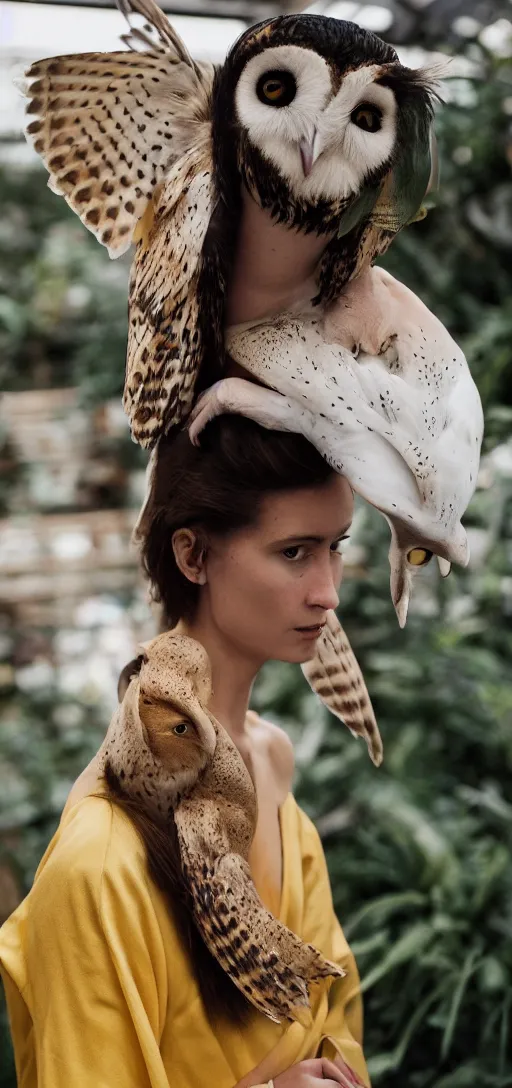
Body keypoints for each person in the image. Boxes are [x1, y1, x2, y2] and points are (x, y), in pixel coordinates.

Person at [0, 416, 369, 1088]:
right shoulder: (101, 862)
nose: (328, 591)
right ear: (193, 556)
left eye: (334, 547)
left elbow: (333, 1017)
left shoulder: (273, 771)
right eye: (293, 552)